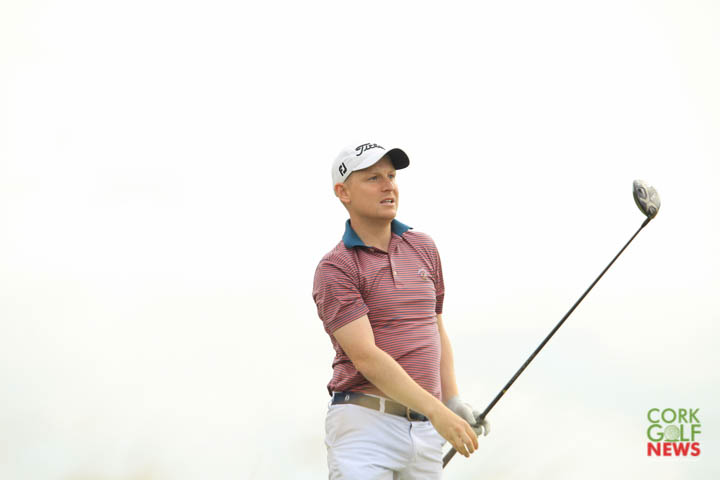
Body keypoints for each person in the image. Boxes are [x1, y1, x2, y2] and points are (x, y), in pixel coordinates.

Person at [312, 141, 490, 479]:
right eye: (373, 178)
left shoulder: (423, 247)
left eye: (391, 176)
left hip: (425, 430)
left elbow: (434, 329)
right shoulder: (336, 267)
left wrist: (451, 400)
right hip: (364, 427)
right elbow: (366, 357)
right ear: (343, 192)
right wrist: (438, 411)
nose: (388, 186)